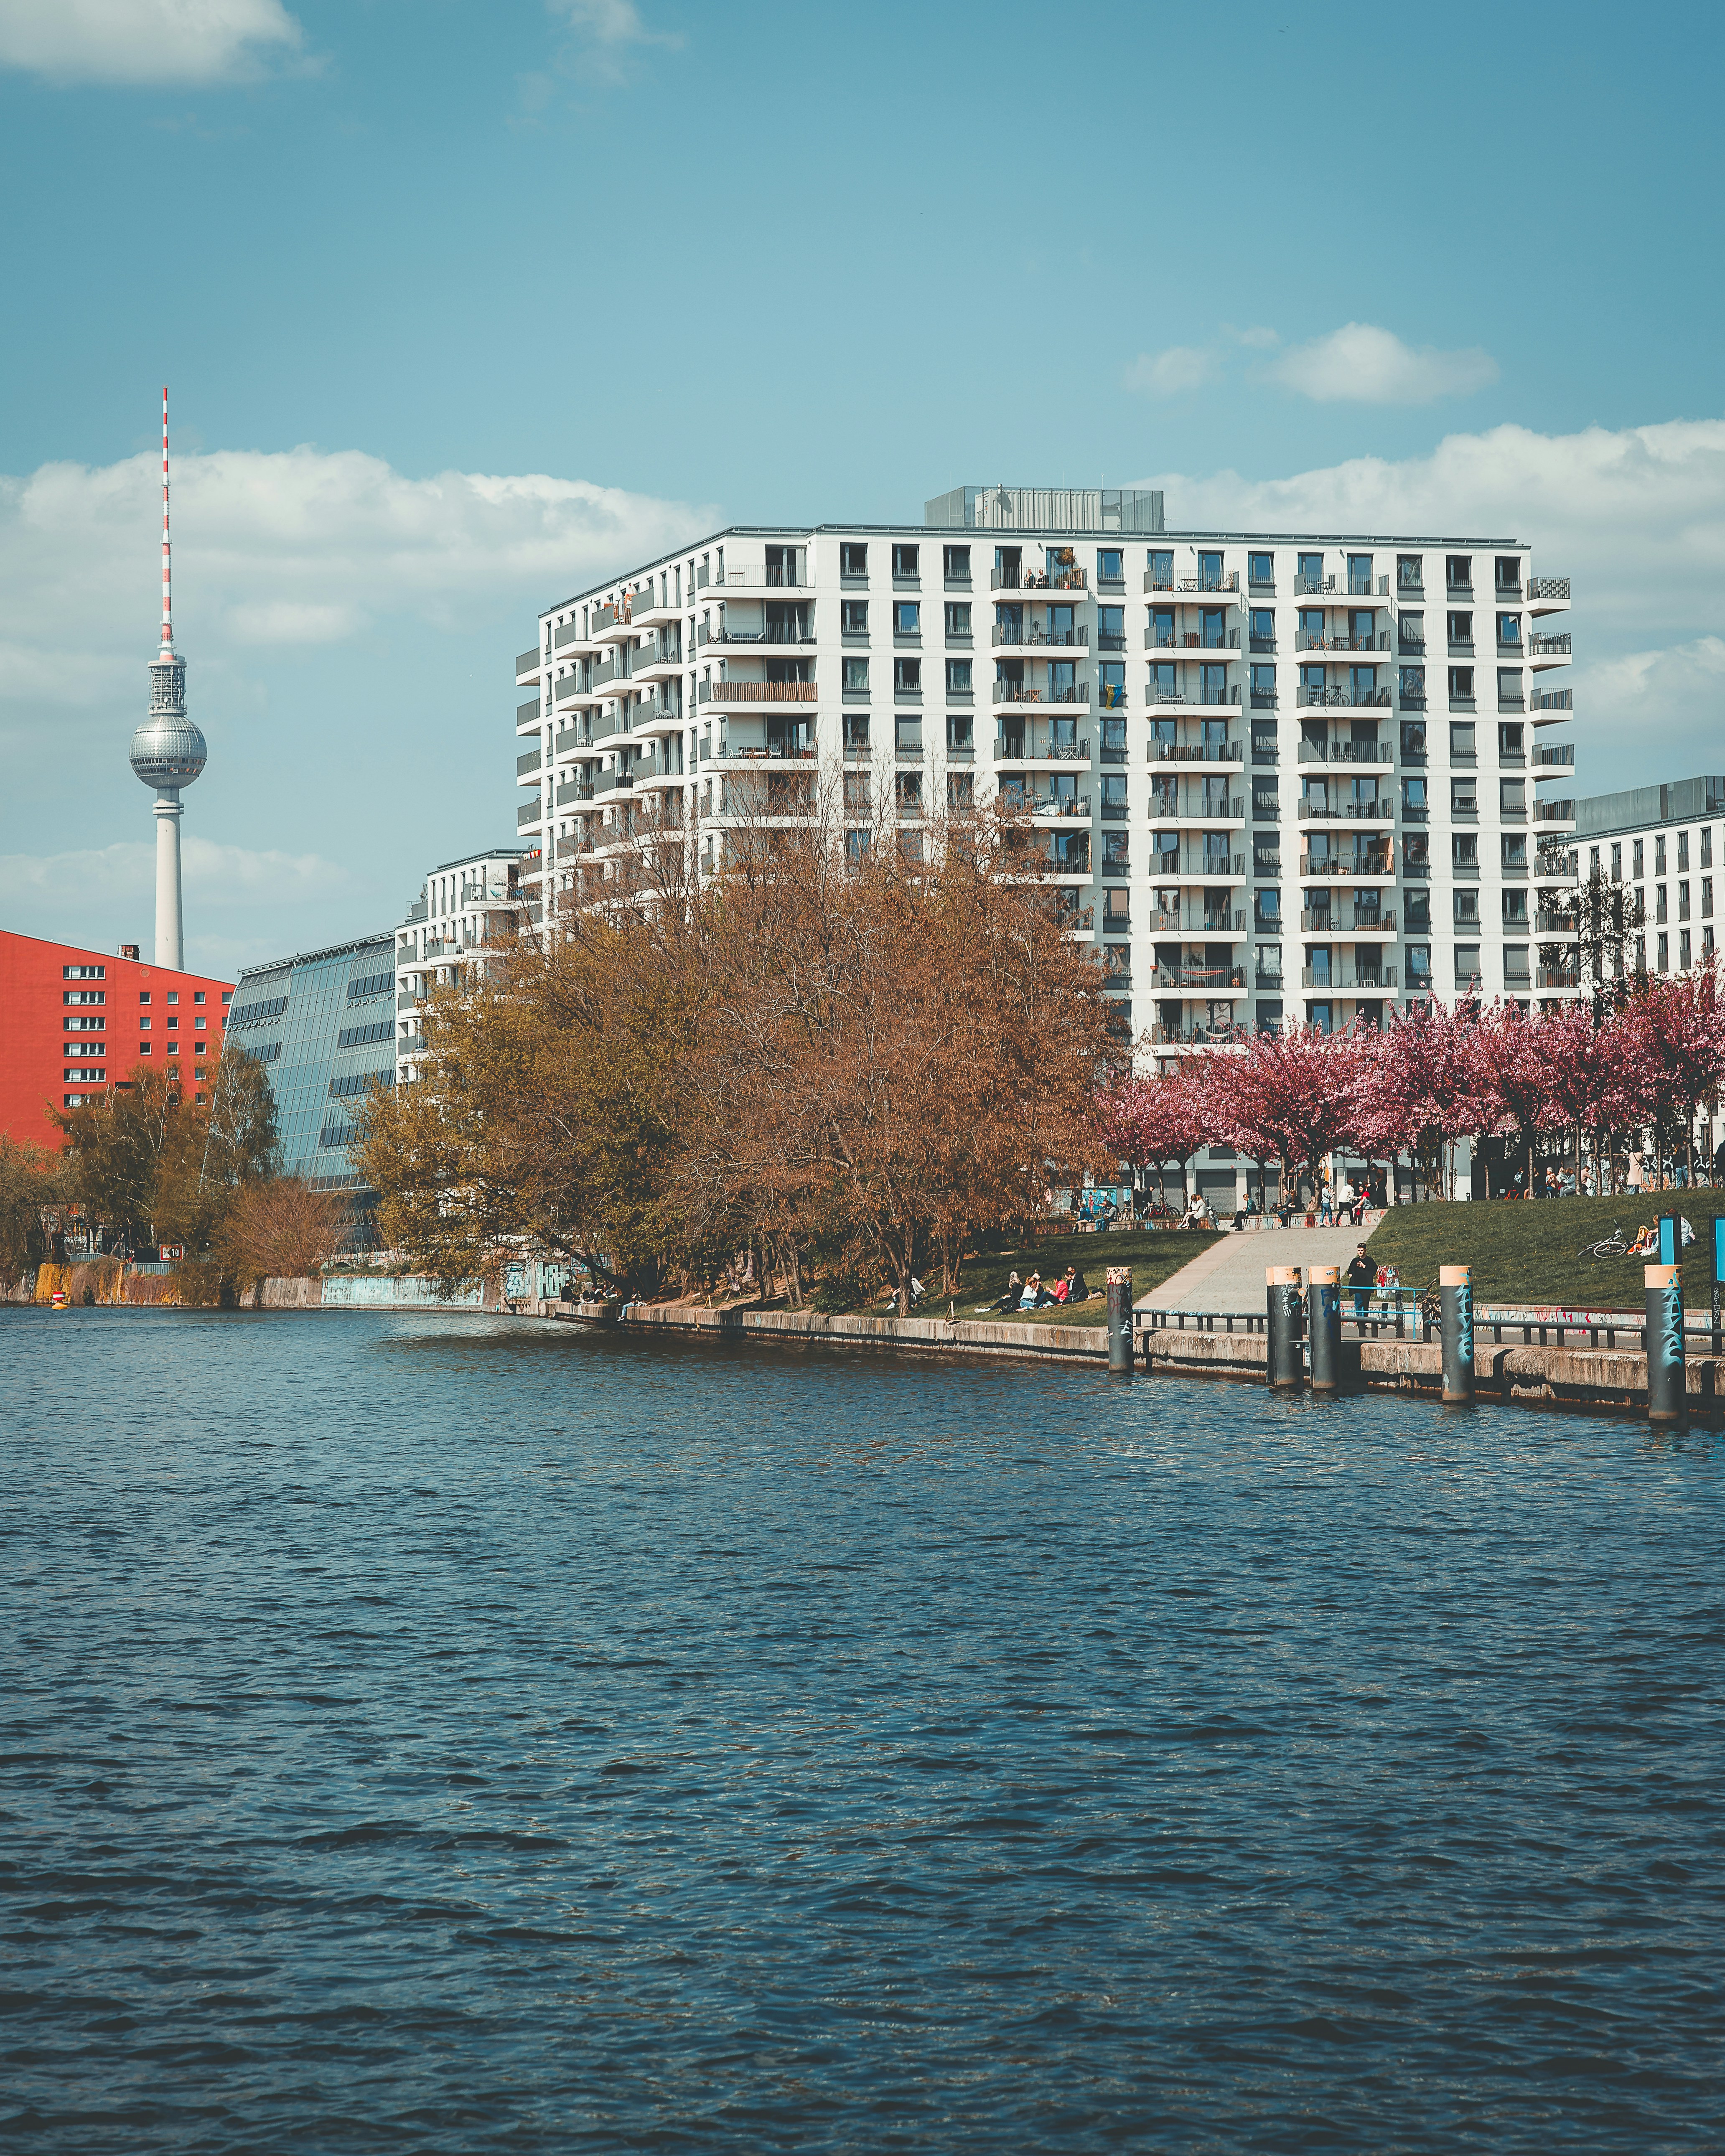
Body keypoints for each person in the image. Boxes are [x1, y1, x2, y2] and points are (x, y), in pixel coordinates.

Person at [1346, 1243, 1375, 1320]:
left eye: (1362, 1250)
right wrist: (1352, 1276)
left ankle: (1364, 1320)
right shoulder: (1355, 1261)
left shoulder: (1370, 1261)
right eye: (1359, 1250)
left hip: (1367, 1287)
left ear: (1365, 1250)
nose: (1360, 1252)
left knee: (1365, 1305)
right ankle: (1360, 1322)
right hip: (1357, 1287)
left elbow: (1373, 1272)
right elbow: (1349, 1272)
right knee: (1359, 1304)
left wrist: (1364, 1266)